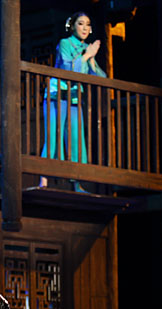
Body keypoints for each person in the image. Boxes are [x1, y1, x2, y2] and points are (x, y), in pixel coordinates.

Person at [40, 12, 107, 189]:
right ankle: (43, 180)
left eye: (87, 24)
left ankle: (77, 184)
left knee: (76, 139)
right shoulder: (65, 43)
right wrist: (86, 56)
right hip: (57, 94)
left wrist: (91, 58)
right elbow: (68, 68)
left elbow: (101, 77)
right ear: (73, 26)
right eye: (80, 23)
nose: (85, 28)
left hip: (75, 97)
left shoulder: (86, 48)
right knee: (53, 136)